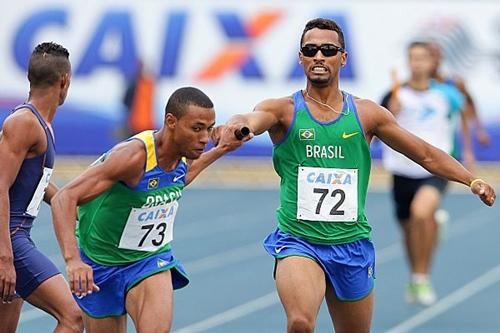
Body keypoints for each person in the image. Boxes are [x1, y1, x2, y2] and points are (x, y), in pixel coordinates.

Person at [219, 18, 495, 333]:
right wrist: (237, 124)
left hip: (351, 245)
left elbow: (425, 153)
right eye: (310, 50)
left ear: (343, 58)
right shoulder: (283, 110)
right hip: (298, 240)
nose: (318, 56)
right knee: (299, 323)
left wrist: (471, 180)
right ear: (301, 57)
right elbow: (253, 119)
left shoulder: (366, 114)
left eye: (328, 50)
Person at [50, 87, 245, 333]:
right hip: (99, 262)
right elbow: (64, 199)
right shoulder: (132, 157)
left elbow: (181, 176)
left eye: (209, 128)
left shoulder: (182, 155)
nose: (205, 138)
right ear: (171, 121)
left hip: (149, 260)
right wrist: (73, 261)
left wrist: (222, 149)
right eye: (197, 128)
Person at [0, 42, 83, 332]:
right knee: (73, 317)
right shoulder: (24, 122)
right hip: (10, 238)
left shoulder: (41, 124)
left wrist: (76, 203)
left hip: (16, 236)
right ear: (64, 80)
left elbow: (38, 183)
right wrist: (5, 256)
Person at [380, 41, 470, 306]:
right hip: (401, 170)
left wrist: (467, 152)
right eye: (413, 58)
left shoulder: (446, 94)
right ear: (407, 62)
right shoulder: (394, 95)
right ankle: (416, 272)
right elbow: (374, 127)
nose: (417, 63)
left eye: (422, 58)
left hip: (435, 168)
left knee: (421, 213)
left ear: (432, 63)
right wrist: (390, 113)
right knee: (409, 231)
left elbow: (463, 116)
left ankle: (422, 277)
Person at [427, 40, 491, 148]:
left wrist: (479, 130)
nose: (434, 60)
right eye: (430, 55)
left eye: (436, 55)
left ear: (441, 57)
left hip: (447, 141)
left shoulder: (453, 83)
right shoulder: (410, 86)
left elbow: (467, 106)